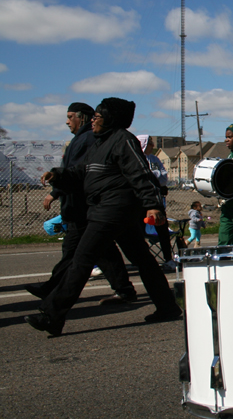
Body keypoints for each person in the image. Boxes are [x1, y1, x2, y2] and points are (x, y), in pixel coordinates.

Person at [26, 98, 181, 336]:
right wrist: (59, 175)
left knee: (82, 259)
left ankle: (52, 315)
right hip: (107, 209)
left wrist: (152, 205)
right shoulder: (99, 143)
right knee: (144, 261)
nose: (94, 119)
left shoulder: (123, 140)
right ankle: (168, 307)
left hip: (114, 209)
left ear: (112, 119)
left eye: (99, 115)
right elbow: (82, 171)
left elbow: (140, 174)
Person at [27, 102, 137, 305]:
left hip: (85, 207)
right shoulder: (83, 139)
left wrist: (56, 191)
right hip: (88, 208)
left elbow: (80, 171)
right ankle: (125, 290)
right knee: (101, 252)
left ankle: (53, 300)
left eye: (70, 117)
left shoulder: (90, 139)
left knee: (78, 255)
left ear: (83, 117)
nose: (67, 121)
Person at [137, 134, 178, 271]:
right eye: (150, 143)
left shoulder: (154, 159)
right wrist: (154, 175)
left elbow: (164, 178)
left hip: (157, 201)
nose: (153, 146)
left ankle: (168, 259)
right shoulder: (137, 159)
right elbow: (142, 177)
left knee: (163, 230)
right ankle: (143, 261)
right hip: (140, 203)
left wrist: (152, 174)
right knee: (139, 232)